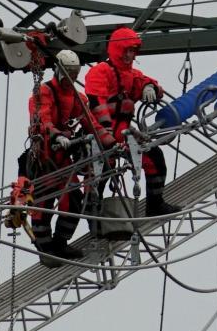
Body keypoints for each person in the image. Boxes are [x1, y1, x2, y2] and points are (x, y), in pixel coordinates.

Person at [84, 26, 179, 218]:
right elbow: (96, 104)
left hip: (123, 134)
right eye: (127, 50)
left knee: (155, 159)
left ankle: (155, 204)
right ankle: (95, 219)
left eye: (133, 51)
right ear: (118, 50)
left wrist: (150, 87)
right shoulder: (100, 71)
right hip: (101, 136)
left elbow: (145, 81)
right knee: (99, 177)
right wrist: (107, 136)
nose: (130, 55)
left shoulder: (132, 75)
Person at [21, 49, 90, 261]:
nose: (73, 76)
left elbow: (90, 122)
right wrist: (56, 135)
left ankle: (60, 242)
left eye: (75, 72)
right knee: (42, 204)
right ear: (60, 71)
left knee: (74, 198)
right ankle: (45, 248)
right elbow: (42, 119)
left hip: (62, 161)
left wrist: (106, 139)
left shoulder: (78, 99)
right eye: (69, 71)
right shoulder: (43, 93)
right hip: (44, 158)